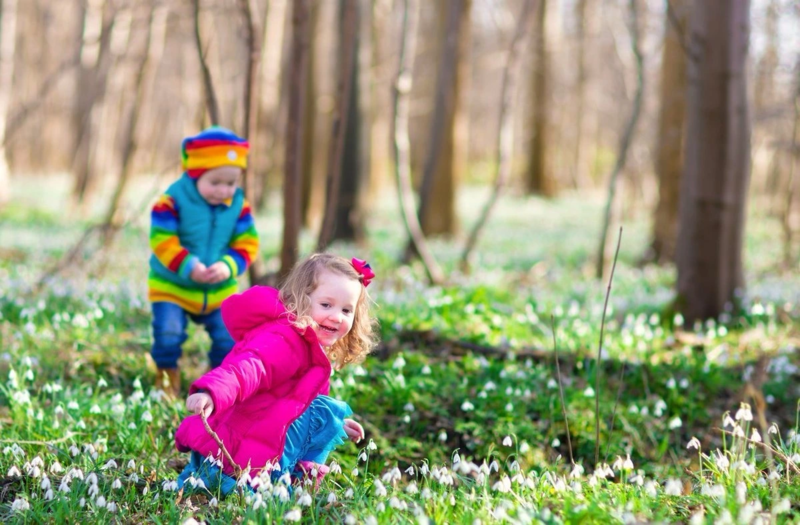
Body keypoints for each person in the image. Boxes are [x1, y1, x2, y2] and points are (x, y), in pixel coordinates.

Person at [173, 253, 378, 496]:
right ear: (301, 300)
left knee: (325, 413)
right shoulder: (285, 339)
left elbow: (299, 402)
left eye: (346, 310)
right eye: (326, 305)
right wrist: (213, 392)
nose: (337, 316)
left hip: (252, 443)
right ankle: (257, 485)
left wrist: (334, 427)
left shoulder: (310, 348)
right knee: (325, 411)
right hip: (237, 454)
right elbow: (250, 367)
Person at [149, 126, 259, 397]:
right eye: (216, 182)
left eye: (231, 183)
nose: (224, 190)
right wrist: (188, 266)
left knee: (226, 337)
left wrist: (229, 265)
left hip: (218, 288)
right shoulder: (172, 200)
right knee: (168, 333)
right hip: (172, 285)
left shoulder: (238, 205)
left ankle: (216, 384)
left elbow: (248, 242)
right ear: (195, 174)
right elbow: (162, 239)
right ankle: (166, 378)